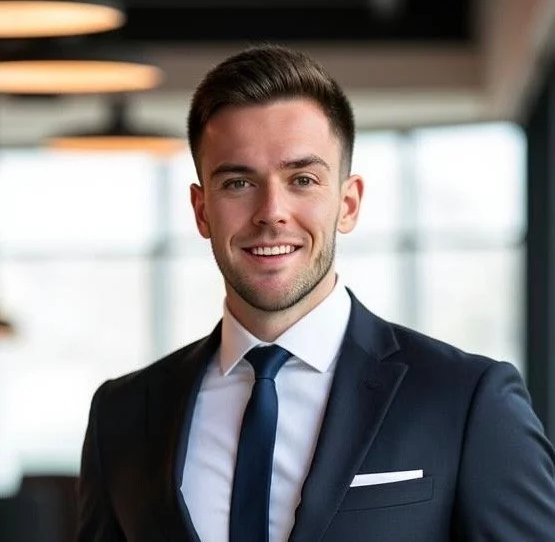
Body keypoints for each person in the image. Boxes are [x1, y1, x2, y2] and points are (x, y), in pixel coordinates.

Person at [76, 44, 555, 542]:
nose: (271, 212)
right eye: (238, 183)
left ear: (348, 204)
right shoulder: (124, 415)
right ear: (201, 210)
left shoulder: (466, 399)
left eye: (302, 179)